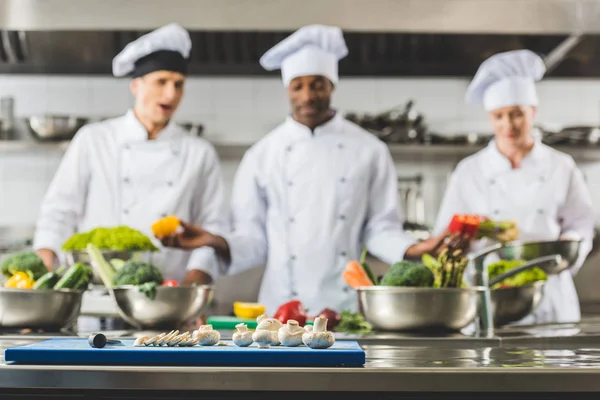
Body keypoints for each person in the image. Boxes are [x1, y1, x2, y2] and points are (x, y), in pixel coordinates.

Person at [158, 25, 460, 316]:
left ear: (332, 85)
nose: (307, 96)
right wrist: (213, 240)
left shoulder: (369, 150)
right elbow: (253, 239)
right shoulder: (263, 155)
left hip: (346, 308)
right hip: (280, 309)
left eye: (317, 84)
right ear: (287, 89)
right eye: (298, 86)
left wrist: (415, 248)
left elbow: (380, 229)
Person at [33, 23, 228, 286]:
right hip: (96, 293)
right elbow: (59, 211)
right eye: (161, 82)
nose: (170, 94)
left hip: (166, 294)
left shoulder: (199, 153)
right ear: (136, 85)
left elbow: (212, 227)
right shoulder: (94, 140)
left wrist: (190, 287)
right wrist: (44, 263)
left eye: (179, 84)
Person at [433, 49, 594, 325]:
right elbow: (445, 235)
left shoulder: (561, 165)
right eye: (499, 116)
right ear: (490, 119)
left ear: (532, 112)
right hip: (491, 294)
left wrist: (568, 246)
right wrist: (464, 234)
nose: (508, 124)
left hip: (550, 295)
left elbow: (582, 225)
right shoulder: (470, 170)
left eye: (516, 114)